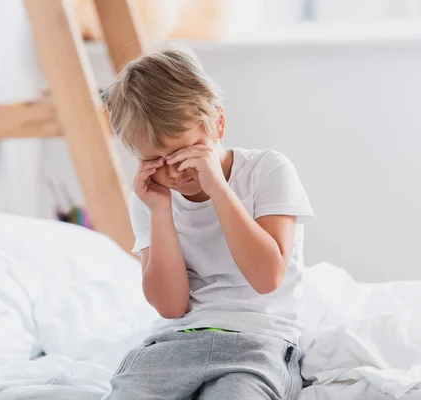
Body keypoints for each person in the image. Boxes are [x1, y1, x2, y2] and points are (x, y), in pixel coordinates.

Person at [101, 47, 314, 400]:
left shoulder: (267, 171)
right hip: (173, 345)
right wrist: (159, 212)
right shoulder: (150, 195)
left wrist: (217, 187)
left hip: (258, 343)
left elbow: (267, 277)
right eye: (154, 159)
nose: (174, 170)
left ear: (218, 123)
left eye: (186, 151)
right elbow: (170, 306)